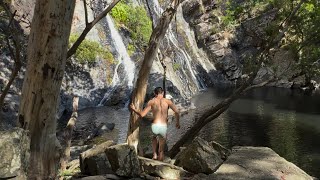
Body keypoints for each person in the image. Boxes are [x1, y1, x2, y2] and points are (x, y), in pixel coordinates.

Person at [130, 87, 180, 161]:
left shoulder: (152, 102)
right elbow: (177, 111)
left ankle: (154, 154)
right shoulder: (167, 101)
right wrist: (177, 122)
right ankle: (160, 163)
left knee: (154, 138)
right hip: (163, 126)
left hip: (155, 125)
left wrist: (134, 109)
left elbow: (142, 115)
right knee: (161, 150)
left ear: (154, 93)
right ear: (162, 93)